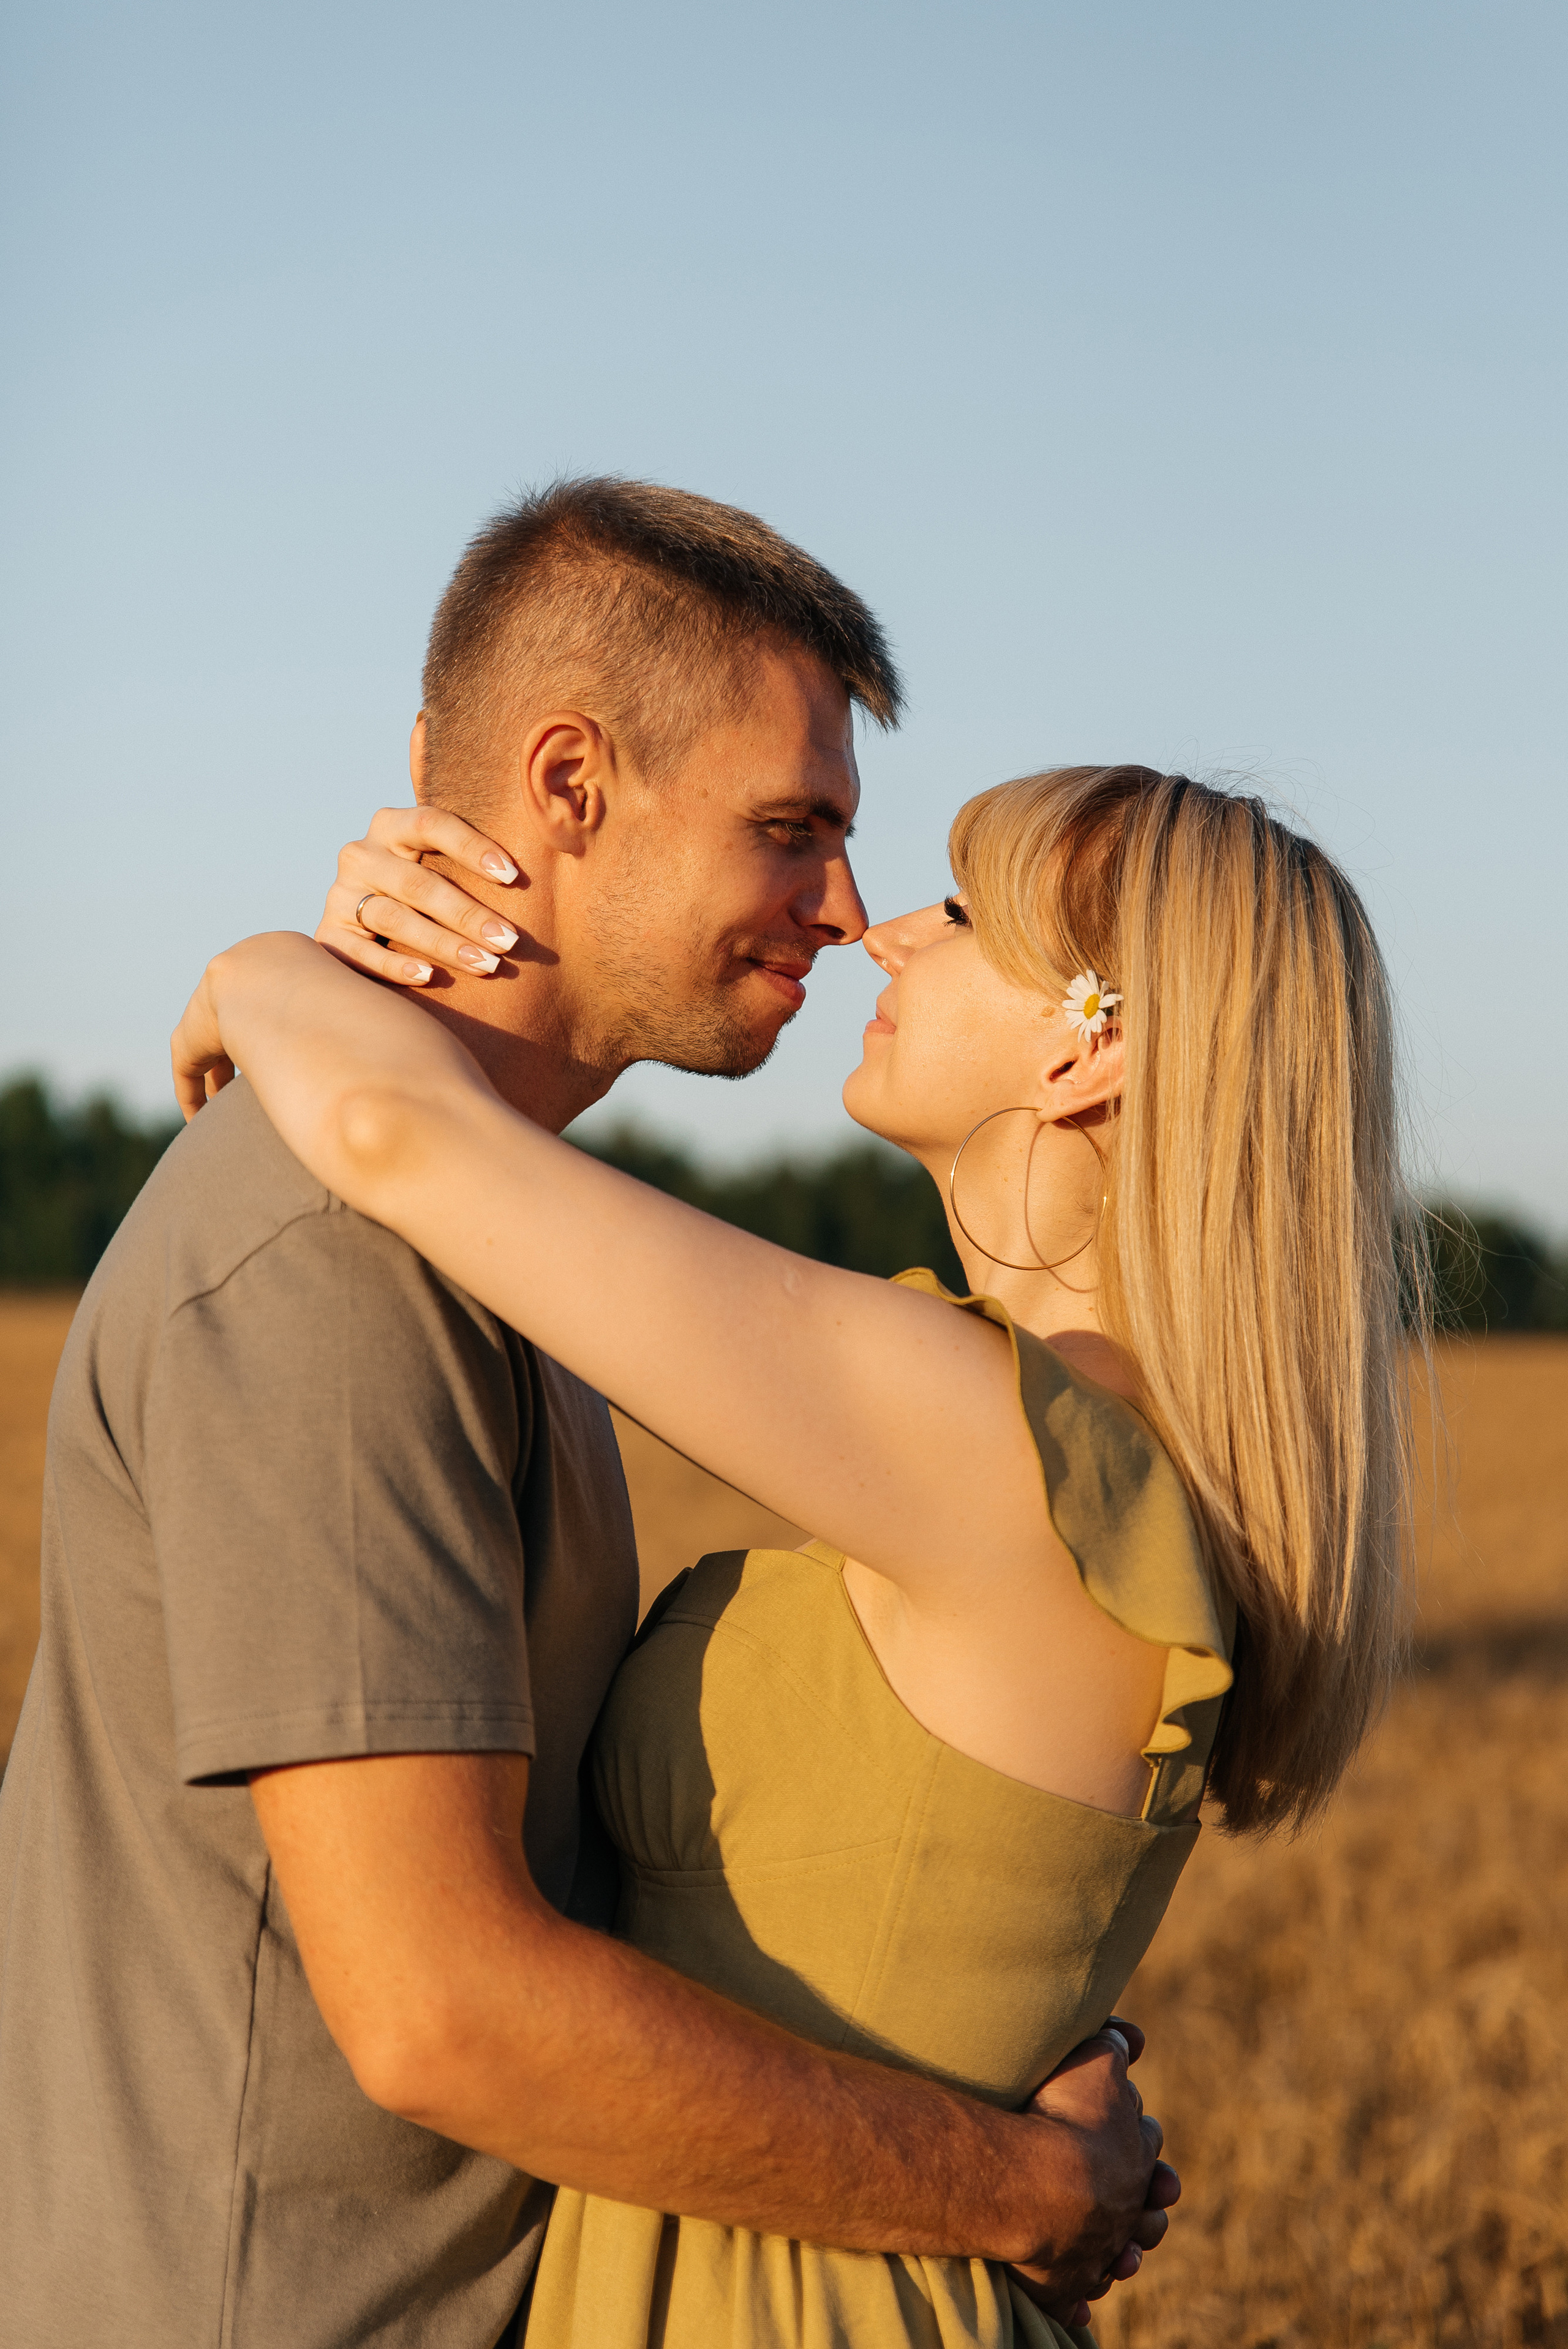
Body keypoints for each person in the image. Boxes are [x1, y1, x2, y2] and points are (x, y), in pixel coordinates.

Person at [0, 481, 1170, 2349]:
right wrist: (1008, 2180)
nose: (847, 910)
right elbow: (438, 2002)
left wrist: (1017, 1997)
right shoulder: (330, 1257)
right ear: (568, 786)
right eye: (791, 829)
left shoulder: (510, 1254)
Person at [170, 760, 1423, 2347]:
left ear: (1092, 1041)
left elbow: (382, 1126)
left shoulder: (1010, 1445)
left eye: (968, 913)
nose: (890, 930)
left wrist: (268, 965)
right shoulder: (1100, 1466)